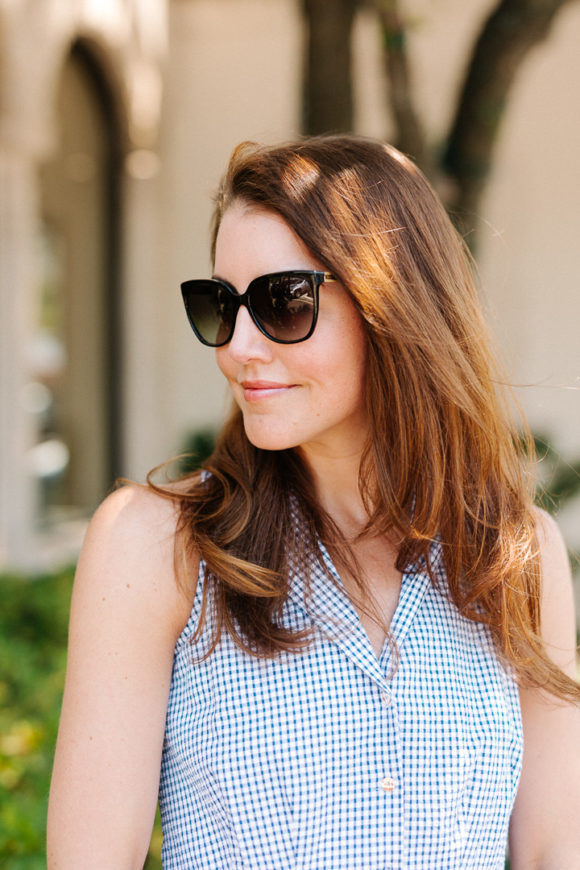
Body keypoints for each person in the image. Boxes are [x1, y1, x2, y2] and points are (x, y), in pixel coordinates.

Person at [47, 135, 580, 869]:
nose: (237, 346)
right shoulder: (157, 546)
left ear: (393, 306)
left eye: (283, 301)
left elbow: (555, 850)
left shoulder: (517, 554)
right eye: (220, 305)